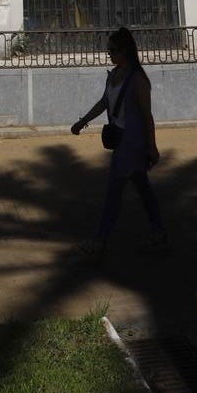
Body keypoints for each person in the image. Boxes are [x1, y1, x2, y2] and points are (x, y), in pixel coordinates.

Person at [70, 26, 168, 255]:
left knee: (114, 192)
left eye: (113, 50)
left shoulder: (138, 79)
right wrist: (83, 121)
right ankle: (159, 232)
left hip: (132, 143)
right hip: (121, 139)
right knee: (143, 189)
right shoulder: (113, 75)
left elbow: (147, 116)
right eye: (108, 50)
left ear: (125, 50)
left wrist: (152, 146)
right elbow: (103, 103)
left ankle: (100, 240)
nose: (109, 54)